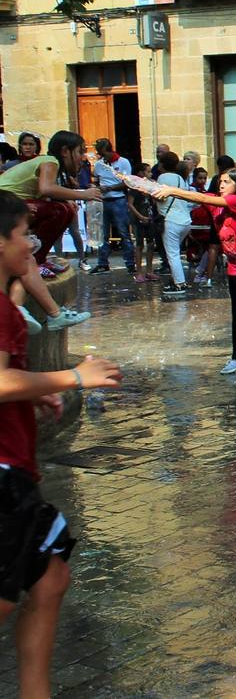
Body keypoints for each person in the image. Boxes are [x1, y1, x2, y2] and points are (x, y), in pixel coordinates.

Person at [0, 189, 122, 699]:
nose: (32, 243)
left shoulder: (7, 305)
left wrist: (38, 391)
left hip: (15, 468)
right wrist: (70, 378)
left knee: (50, 578)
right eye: (22, 233)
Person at [152, 168, 236, 373]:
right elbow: (200, 197)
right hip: (235, 265)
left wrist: (172, 190)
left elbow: (198, 196)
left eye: (227, 182)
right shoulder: (214, 203)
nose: (221, 184)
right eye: (220, 181)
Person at [0, 131, 98, 274]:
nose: (82, 158)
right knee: (60, 210)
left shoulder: (49, 162)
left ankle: (38, 258)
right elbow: (47, 188)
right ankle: (36, 260)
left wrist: (67, 199)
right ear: (65, 151)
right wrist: (83, 195)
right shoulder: (51, 161)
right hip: (6, 202)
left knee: (65, 209)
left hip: (12, 202)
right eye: (80, 152)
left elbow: (44, 193)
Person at [89, 139, 135, 276]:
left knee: (123, 232)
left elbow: (127, 182)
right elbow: (96, 180)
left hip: (118, 199)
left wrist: (110, 187)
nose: (103, 157)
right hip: (103, 200)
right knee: (102, 233)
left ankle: (130, 263)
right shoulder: (99, 164)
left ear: (109, 150)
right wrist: (97, 187)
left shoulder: (123, 162)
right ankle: (102, 263)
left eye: (104, 153)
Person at [152, 152, 194, 298]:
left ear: (161, 165)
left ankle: (179, 284)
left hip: (171, 221)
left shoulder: (162, 177)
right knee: (175, 252)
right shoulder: (179, 178)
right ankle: (177, 279)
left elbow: (159, 196)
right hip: (185, 220)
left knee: (173, 254)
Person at [128, 163, 159, 284]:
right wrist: (139, 216)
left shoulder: (149, 187)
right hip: (139, 218)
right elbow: (130, 204)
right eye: (148, 171)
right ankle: (139, 272)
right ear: (141, 173)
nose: (150, 174)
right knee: (139, 244)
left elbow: (154, 202)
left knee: (151, 244)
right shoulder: (135, 188)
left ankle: (149, 270)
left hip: (150, 217)